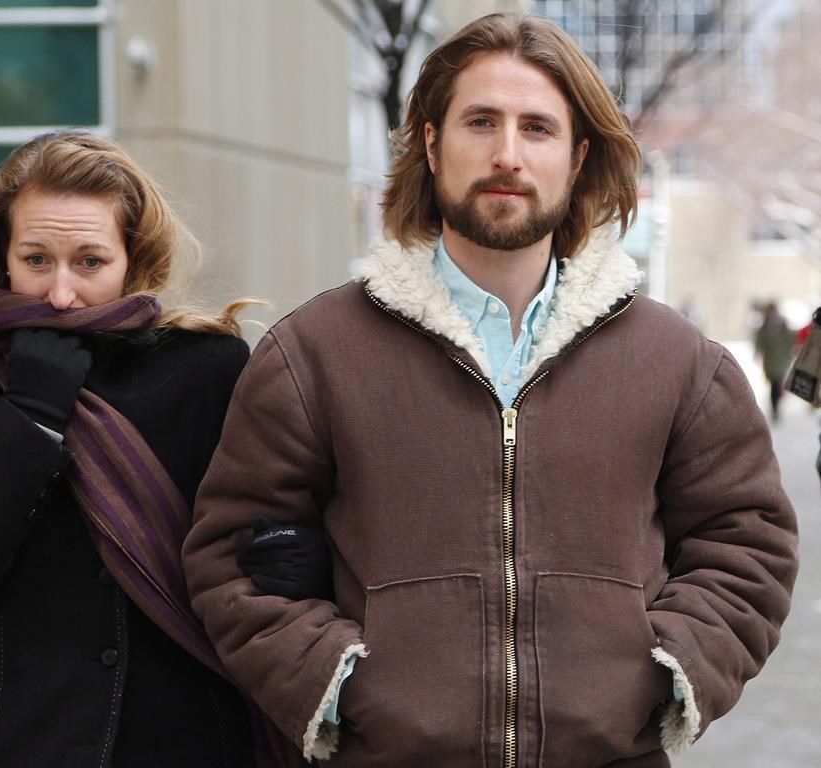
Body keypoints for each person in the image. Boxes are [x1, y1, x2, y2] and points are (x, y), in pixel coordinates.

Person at [182, 13, 799, 768]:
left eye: (537, 128)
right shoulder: (313, 355)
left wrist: (657, 677)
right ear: (433, 143)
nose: (507, 154)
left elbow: (748, 545)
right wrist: (346, 689)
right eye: (482, 122)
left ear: (576, 158)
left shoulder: (678, 362)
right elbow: (235, 558)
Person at [0, 130, 312, 767]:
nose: (60, 294)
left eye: (90, 261)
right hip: (9, 742)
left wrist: (295, 557)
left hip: (188, 739)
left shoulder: (206, 369)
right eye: (37, 259)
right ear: (1, 254)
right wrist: (25, 422)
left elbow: (264, 534)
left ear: (134, 256)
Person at [754, 301, 794, 421]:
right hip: (770, 360)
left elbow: (789, 340)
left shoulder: (783, 324)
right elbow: (760, 340)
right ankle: (774, 407)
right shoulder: (765, 326)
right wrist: (758, 351)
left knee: (777, 383)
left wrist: (789, 353)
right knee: (773, 384)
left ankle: (776, 406)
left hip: (781, 358)